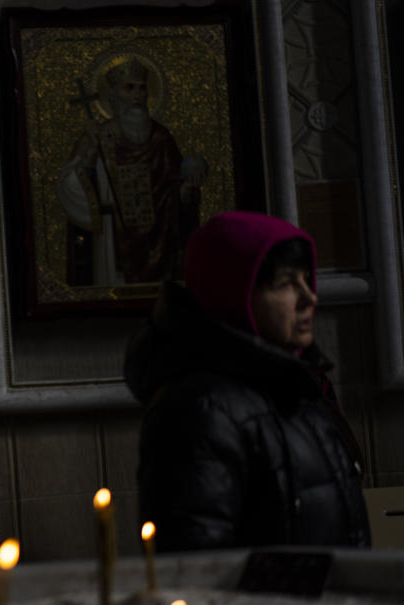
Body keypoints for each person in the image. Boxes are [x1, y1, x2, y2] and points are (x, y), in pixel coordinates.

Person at [126, 211, 370, 552]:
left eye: (306, 279)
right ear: (233, 294)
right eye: (285, 284)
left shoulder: (293, 383)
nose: (309, 297)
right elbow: (200, 568)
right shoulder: (200, 411)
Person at [57, 58, 206, 285]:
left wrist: (186, 190)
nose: (137, 95)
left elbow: (175, 191)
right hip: (111, 240)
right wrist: (89, 153)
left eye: (142, 88)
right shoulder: (98, 137)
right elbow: (71, 188)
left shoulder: (161, 138)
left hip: (161, 243)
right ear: (113, 96)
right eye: (129, 87)